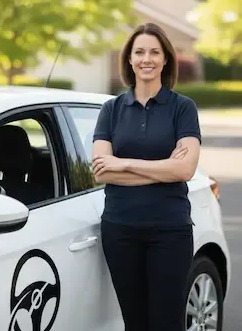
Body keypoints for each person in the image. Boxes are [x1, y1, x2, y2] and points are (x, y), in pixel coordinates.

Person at [92, 22, 201, 331]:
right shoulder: (111, 109)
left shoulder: (182, 108)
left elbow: (184, 169)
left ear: (166, 59)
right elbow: (100, 171)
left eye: (155, 52)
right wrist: (161, 168)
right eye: (139, 52)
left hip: (170, 231)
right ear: (129, 59)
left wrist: (122, 165)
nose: (147, 59)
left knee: (166, 323)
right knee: (134, 323)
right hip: (120, 230)